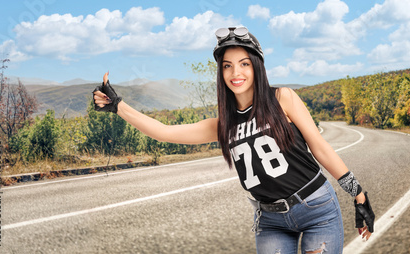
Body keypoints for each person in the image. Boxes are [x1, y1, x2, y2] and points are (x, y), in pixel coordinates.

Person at [93, 27, 375, 254]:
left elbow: (320, 147)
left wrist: (358, 193)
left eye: (243, 64)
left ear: (256, 66)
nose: (235, 73)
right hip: (271, 220)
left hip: (316, 208)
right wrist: (118, 106)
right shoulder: (223, 125)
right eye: (227, 66)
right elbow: (164, 131)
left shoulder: (283, 98)